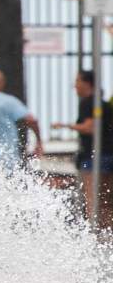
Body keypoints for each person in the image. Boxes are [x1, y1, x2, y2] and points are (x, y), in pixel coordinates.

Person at [51, 69, 113, 230]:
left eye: (78, 81)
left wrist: (64, 125)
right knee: (106, 199)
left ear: (87, 84)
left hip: (93, 156)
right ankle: (107, 232)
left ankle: (95, 234)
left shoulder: (87, 103)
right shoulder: (104, 104)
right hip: (108, 154)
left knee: (92, 199)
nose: (75, 86)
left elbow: (89, 127)